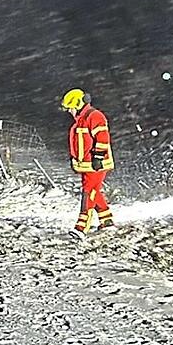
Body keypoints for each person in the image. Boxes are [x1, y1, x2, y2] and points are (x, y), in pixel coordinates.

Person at [61, 89, 115, 240]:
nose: (70, 111)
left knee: (88, 192)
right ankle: (106, 220)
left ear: (78, 104)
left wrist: (98, 156)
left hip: (96, 164)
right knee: (94, 191)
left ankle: (81, 227)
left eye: (71, 108)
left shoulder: (94, 116)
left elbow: (102, 138)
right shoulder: (81, 119)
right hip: (86, 163)